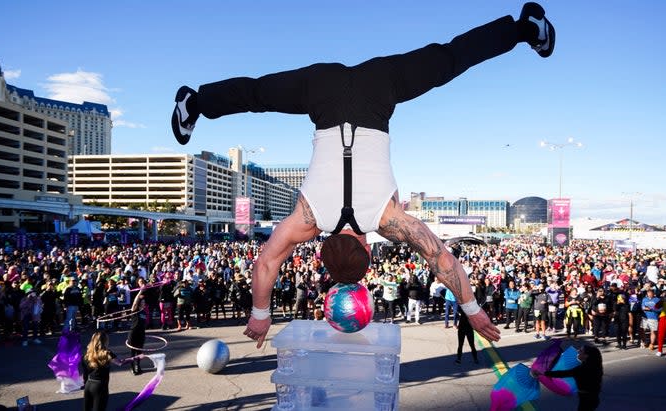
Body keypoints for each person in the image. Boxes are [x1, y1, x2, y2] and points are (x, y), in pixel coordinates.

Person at [171, 3, 555, 347]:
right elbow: (267, 263)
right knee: (259, 94)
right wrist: (260, 315)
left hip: (378, 86)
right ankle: (197, 101)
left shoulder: (387, 220)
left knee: (449, 58)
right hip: (320, 88)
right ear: (324, 250)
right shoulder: (308, 220)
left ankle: (525, 27)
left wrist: (471, 309)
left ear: (369, 250)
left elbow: (443, 262)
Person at [83, 331, 142, 411]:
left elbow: (85, 374)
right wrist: (136, 358)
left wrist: (85, 384)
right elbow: (120, 362)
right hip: (100, 386)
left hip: (88, 385)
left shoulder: (87, 354)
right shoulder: (106, 353)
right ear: (104, 341)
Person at [534, 344, 603, 411]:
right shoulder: (594, 365)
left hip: (587, 401)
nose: (578, 351)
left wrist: (543, 373)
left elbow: (562, 374)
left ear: (586, 356)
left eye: (581, 351)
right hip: (592, 398)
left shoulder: (583, 369)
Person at [127, 290, 147, 375]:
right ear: (139, 303)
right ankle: (132, 368)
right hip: (133, 333)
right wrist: (141, 291)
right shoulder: (135, 310)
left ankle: (138, 366)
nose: (144, 303)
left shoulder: (144, 312)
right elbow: (135, 302)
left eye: (144, 302)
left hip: (141, 333)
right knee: (133, 352)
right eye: (142, 302)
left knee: (139, 352)